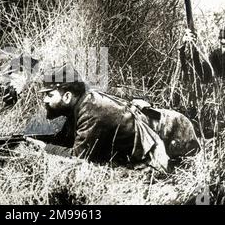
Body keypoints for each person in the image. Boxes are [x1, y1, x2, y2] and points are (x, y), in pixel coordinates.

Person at [26, 64, 200, 171]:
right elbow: (67, 140)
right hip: (165, 126)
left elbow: (79, 157)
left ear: (67, 96)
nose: (44, 100)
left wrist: (45, 148)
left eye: (49, 95)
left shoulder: (92, 110)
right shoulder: (81, 105)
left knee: (185, 164)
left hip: (173, 131)